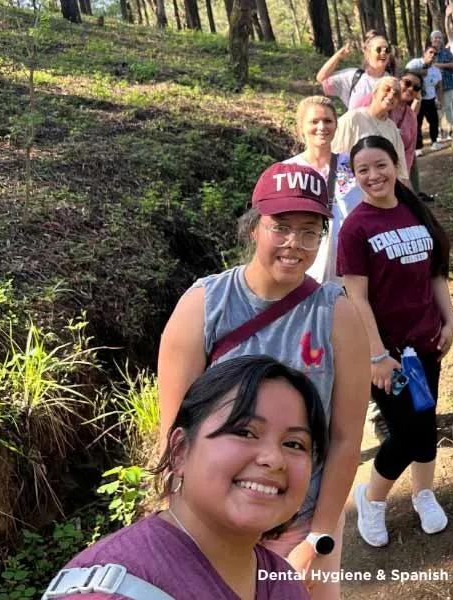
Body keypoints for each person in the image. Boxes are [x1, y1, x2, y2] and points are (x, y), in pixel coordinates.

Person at [158, 162, 370, 600]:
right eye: (281, 227)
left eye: (310, 231)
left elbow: (346, 438)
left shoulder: (336, 314)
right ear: (254, 227)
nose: (295, 244)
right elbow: (175, 437)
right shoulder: (204, 306)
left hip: (301, 526)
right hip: (213, 526)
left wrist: (319, 539)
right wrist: (183, 533)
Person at [45, 356, 326, 600]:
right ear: (180, 451)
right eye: (245, 432)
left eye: (294, 444)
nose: (274, 459)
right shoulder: (110, 592)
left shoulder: (282, 582)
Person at [336, 136, 453, 548]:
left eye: (380, 165)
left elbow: (435, 273)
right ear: (354, 177)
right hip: (386, 356)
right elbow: (356, 297)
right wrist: (376, 355)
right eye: (362, 170)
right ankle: (371, 499)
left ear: (397, 164)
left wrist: (450, 321)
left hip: (426, 344)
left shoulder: (414, 210)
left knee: (425, 423)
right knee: (406, 433)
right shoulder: (356, 227)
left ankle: (424, 493)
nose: (373, 176)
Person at [284, 96, 362, 285]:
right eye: (314, 121)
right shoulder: (288, 171)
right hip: (305, 270)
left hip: (352, 269)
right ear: (301, 126)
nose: (322, 127)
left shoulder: (354, 165)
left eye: (328, 121)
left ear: (336, 125)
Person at [353, 71, 422, 192]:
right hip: (362, 176)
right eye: (407, 83)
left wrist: (402, 181)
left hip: (391, 177)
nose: (410, 88)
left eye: (416, 87)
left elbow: (409, 152)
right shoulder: (372, 100)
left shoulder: (411, 117)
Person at [332, 76, 410, 183]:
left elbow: (401, 170)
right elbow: (335, 158)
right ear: (375, 92)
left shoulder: (392, 129)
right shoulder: (353, 118)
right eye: (387, 89)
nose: (391, 95)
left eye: (396, 94)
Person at [316, 31, 394, 110]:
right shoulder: (353, 76)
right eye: (379, 49)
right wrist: (338, 57)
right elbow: (321, 78)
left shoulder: (392, 82)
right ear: (368, 53)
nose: (383, 53)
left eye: (387, 50)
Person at [406, 46, 444, 155]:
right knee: (417, 123)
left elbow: (439, 86)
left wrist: (440, 100)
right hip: (417, 99)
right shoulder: (415, 63)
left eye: (435, 54)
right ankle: (418, 147)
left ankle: (434, 141)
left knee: (434, 121)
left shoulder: (436, 71)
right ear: (425, 53)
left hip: (430, 99)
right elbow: (406, 73)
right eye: (430, 52)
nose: (432, 55)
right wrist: (419, 73)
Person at [431, 30, 453, 141]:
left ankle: (450, 130)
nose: (437, 39)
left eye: (439, 37)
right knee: (438, 109)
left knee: (447, 106)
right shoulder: (428, 52)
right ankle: (439, 131)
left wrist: (439, 65)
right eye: (435, 38)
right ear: (431, 40)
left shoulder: (447, 52)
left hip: (448, 84)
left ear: (442, 40)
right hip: (434, 86)